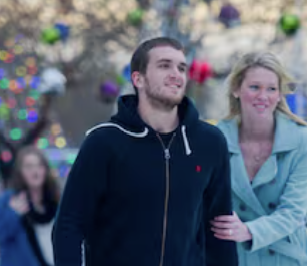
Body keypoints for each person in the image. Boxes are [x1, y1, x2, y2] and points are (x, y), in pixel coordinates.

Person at [53, 37, 237, 266]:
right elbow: (69, 224)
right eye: (164, 65)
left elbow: (220, 228)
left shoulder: (209, 142)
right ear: (138, 79)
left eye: (181, 67)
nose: (176, 74)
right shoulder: (105, 141)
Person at [211, 51, 307, 265]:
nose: (263, 96)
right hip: (235, 257)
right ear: (236, 89)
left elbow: (293, 212)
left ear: (280, 94)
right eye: (254, 87)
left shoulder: (303, 141)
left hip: (289, 258)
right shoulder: (215, 140)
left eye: (272, 89)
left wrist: (248, 230)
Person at [0, 147, 62, 266]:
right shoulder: (8, 200)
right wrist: (13, 214)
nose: (35, 171)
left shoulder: (56, 201)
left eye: (39, 166)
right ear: (20, 171)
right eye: (29, 166)